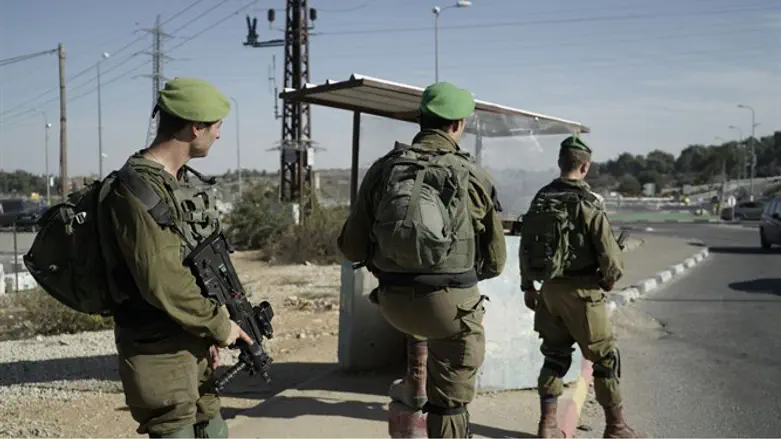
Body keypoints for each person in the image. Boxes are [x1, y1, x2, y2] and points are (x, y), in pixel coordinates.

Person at [337, 81, 507, 438]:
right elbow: (495, 263)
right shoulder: (473, 174)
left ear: (420, 119)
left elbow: (351, 248)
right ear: (458, 125)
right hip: (449, 307)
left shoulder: (384, 168)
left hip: (393, 304)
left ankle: (414, 385)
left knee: (421, 329)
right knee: (450, 402)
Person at [99, 77, 254, 438]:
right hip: (158, 349)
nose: (218, 135)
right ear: (195, 126)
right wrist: (218, 325)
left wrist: (205, 333)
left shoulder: (175, 182)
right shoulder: (136, 189)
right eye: (216, 127)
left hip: (187, 339)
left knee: (214, 432)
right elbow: (162, 280)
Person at [520, 135, 641, 438]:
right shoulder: (590, 202)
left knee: (554, 356)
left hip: (548, 291)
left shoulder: (541, 197)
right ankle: (615, 427)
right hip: (583, 294)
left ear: (561, 162)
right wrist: (609, 281)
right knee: (606, 357)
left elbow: (525, 245)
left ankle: (547, 426)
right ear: (585, 166)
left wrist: (528, 287)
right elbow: (610, 259)